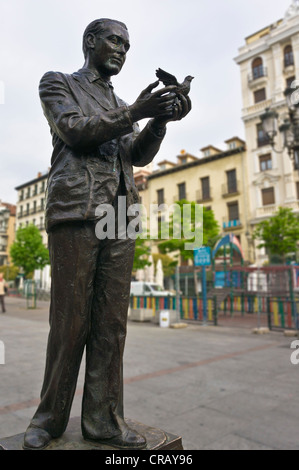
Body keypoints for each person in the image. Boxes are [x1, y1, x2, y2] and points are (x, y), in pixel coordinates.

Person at [23, 18, 191, 450]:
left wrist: (160, 121)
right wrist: (137, 111)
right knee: (70, 320)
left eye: (127, 45)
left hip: (121, 215)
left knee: (112, 324)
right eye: (115, 40)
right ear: (90, 42)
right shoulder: (58, 83)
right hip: (78, 209)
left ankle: (103, 420)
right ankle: (48, 419)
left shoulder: (118, 100)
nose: (122, 49)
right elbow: (75, 131)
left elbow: (134, 154)